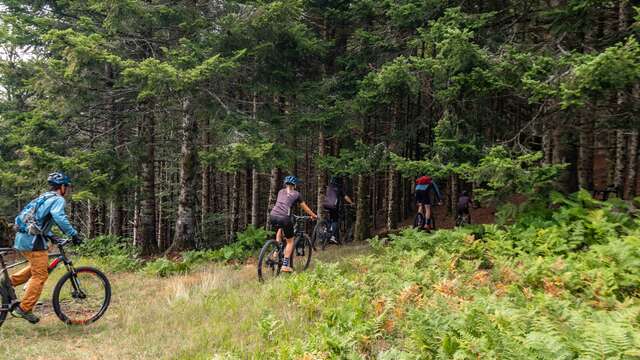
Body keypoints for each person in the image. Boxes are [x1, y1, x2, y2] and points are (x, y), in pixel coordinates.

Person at [0, 172, 82, 324]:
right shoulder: (58, 199)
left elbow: (37, 221)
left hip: (22, 238)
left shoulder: (44, 197)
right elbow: (58, 216)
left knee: (39, 267)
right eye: (67, 187)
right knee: (41, 275)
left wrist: (50, 235)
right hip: (33, 241)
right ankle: (24, 308)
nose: (68, 190)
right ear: (62, 187)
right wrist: (73, 234)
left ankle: (7, 283)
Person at [269, 176, 317, 273]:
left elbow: (283, 203)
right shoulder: (296, 194)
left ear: (285, 184)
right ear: (294, 185)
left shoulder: (280, 192)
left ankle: (275, 252)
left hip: (273, 215)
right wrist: (313, 215)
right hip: (284, 217)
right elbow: (305, 208)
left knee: (280, 229)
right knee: (290, 241)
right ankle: (285, 265)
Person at [322, 176, 354, 244]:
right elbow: (345, 197)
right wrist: (351, 203)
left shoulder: (329, 186)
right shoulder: (339, 188)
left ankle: (326, 229)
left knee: (330, 217)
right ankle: (333, 237)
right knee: (335, 220)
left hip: (325, 204)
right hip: (333, 205)